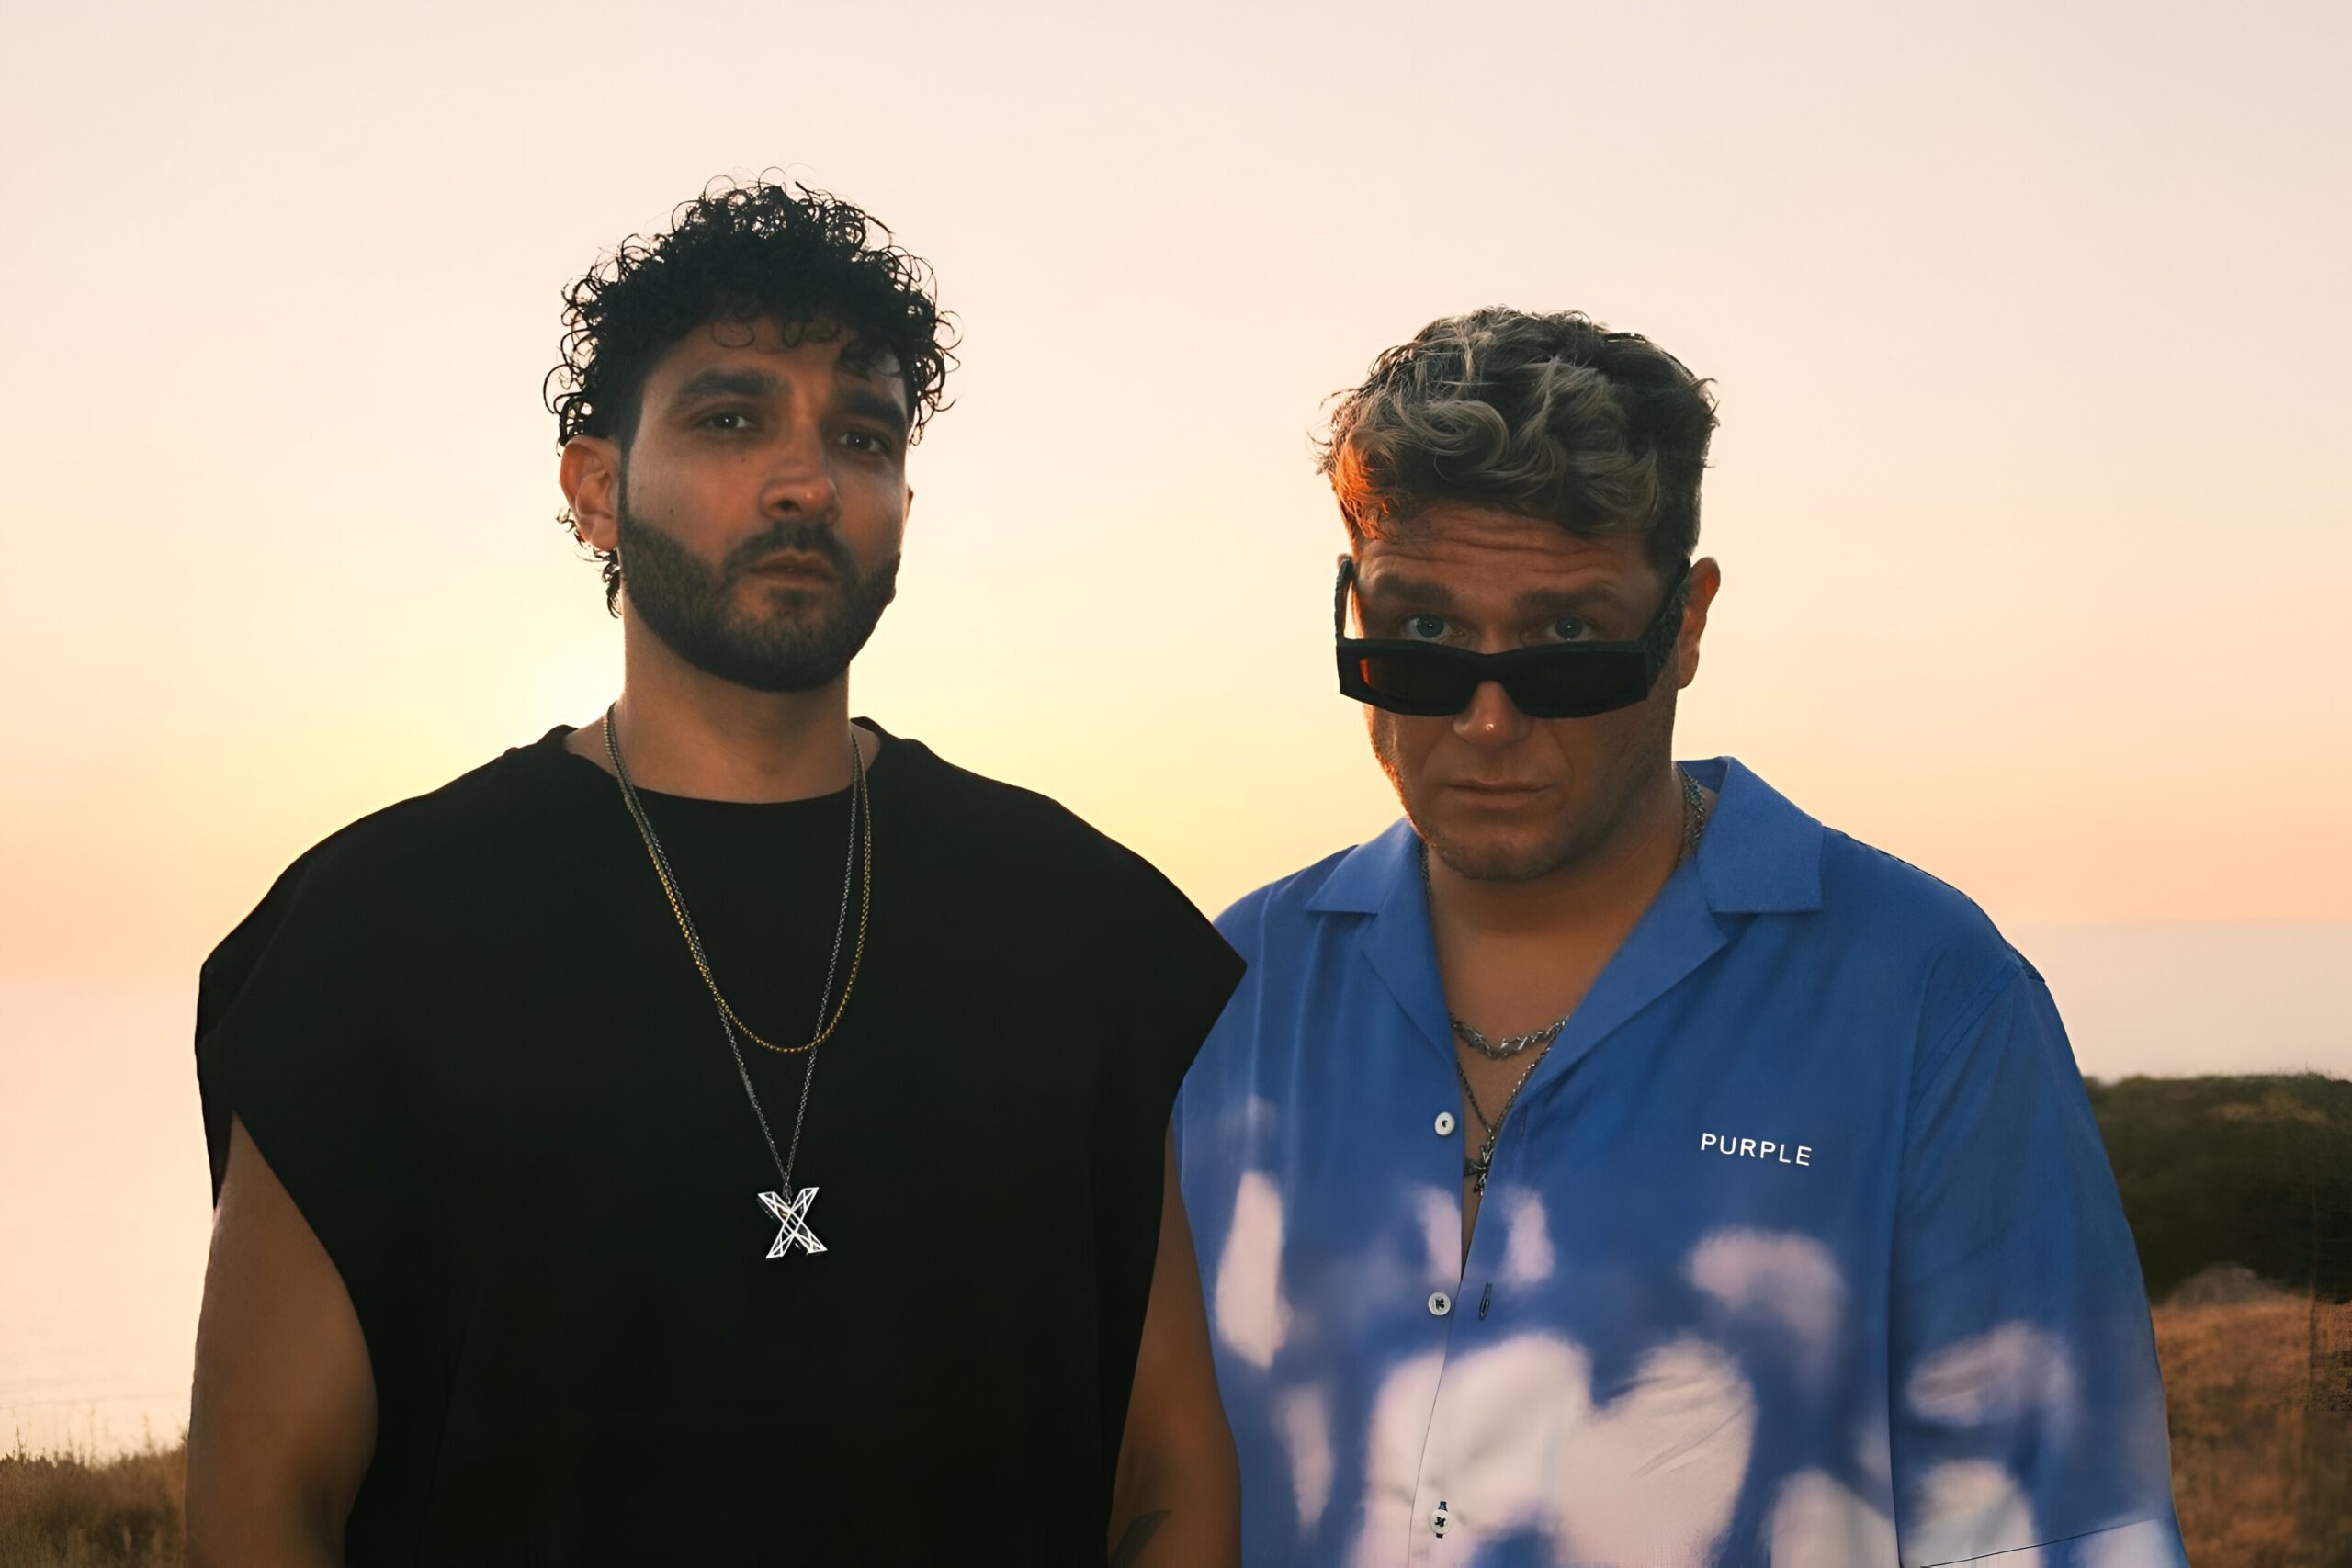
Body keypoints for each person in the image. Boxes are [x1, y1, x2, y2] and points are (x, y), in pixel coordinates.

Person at [187, 179, 1241, 1567]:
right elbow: (264, 1505)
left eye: (861, 436)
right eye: (731, 419)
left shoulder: (1079, 923)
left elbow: (1168, 1473)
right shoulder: (374, 935)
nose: (808, 481)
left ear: (903, 503)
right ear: (595, 489)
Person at [1172, 308, 2187, 1565]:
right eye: (1423, 640)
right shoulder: (1232, 990)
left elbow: (2056, 1527)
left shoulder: (1926, 996)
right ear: (1353, 609)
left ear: (1687, 623)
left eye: (1566, 645)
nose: (1486, 722)